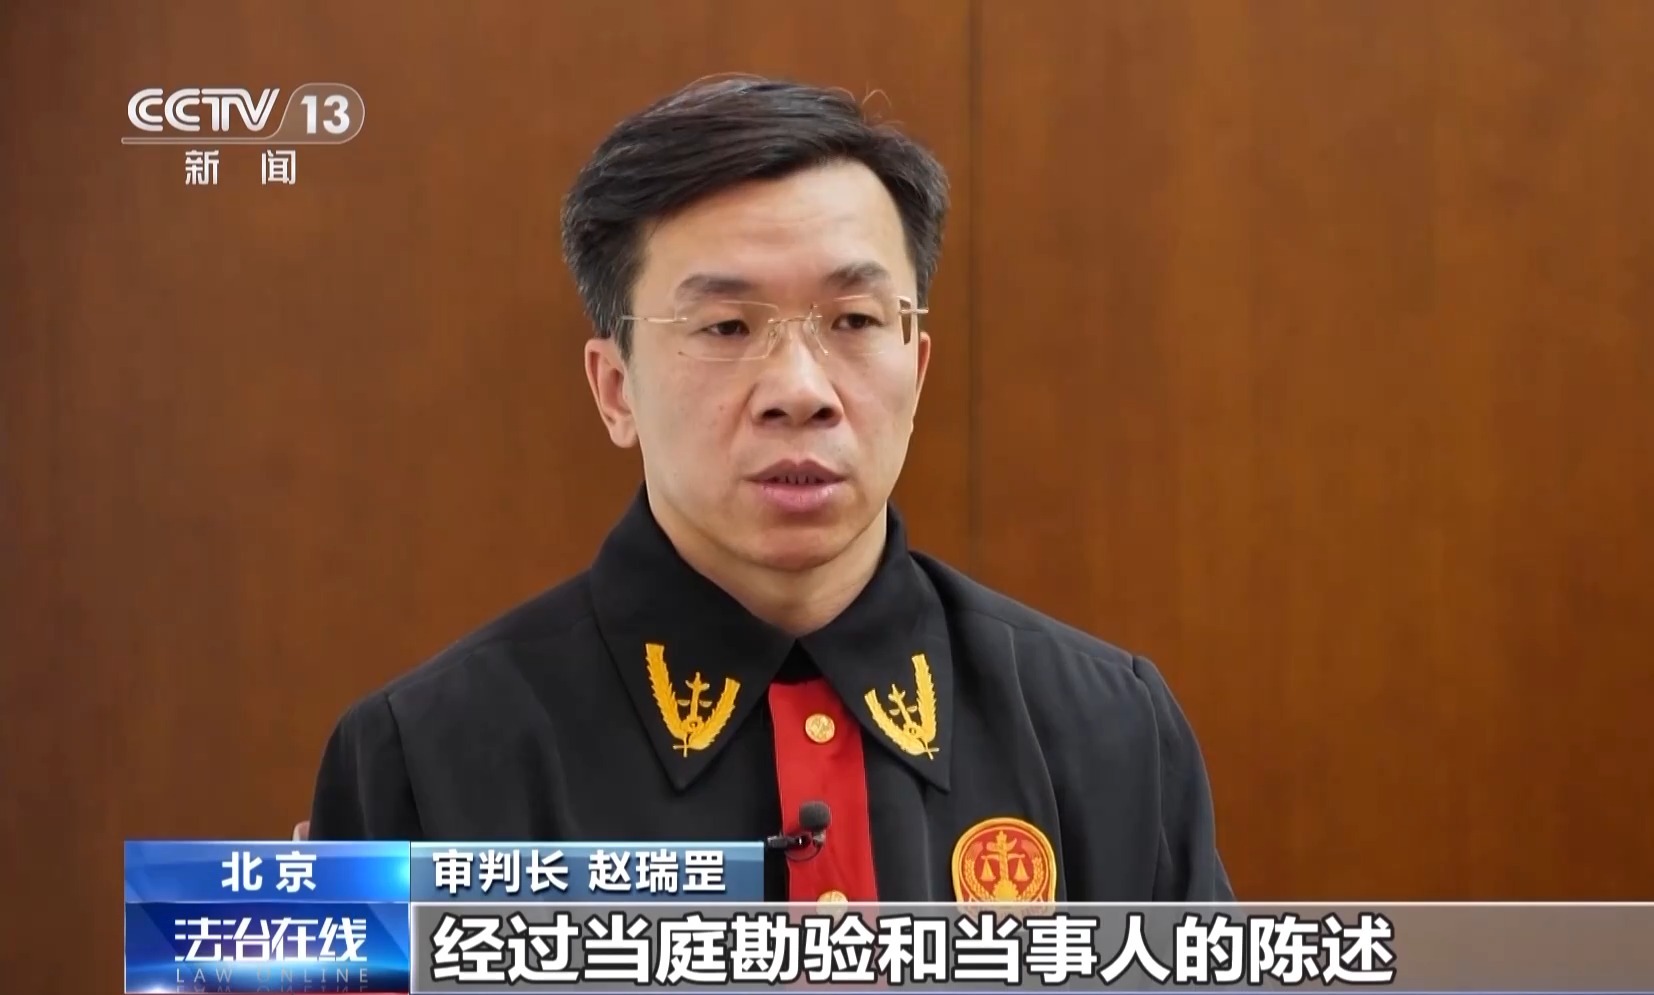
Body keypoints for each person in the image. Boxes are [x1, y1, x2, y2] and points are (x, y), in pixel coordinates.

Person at [308, 74, 1232, 903]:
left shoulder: (1110, 729)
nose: (800, 389)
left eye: (854, 319)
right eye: (726, 327)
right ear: (615, 387)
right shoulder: (422, 759)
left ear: (917, 367)